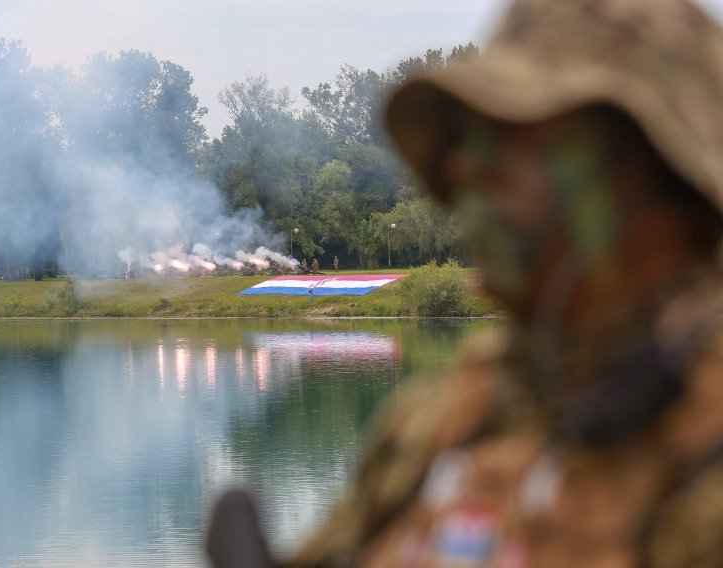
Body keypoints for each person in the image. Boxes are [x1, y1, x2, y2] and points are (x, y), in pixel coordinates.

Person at [208, 0, 723, 566]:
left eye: (520, 132)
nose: (466, 168)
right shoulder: (445, 418)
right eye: (472, 137)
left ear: (657, 167)